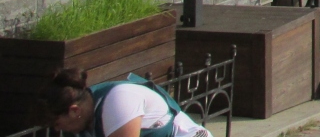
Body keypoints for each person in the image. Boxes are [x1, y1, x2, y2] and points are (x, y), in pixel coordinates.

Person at [32, 68, 211, 137]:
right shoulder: (80, 121)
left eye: (56, 123)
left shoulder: (118, 102)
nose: (57, 130)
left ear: (73, 110)